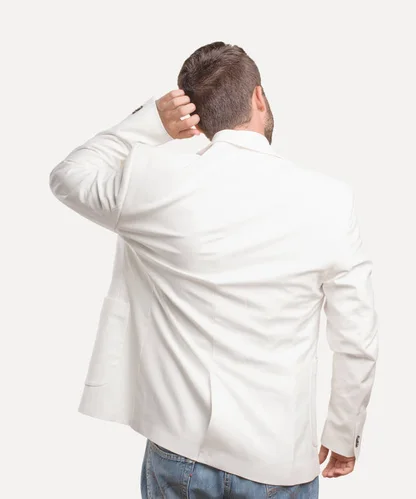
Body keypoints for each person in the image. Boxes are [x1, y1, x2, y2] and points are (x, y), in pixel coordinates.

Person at [49, 41, 379, 499]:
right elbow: (356, 338)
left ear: (194, 118)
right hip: (279, 461)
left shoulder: (153, 188)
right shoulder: (329, 200)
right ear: (258, 97)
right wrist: (345, 432)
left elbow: (69, 175)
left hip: (181, 451)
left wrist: (149, 122)